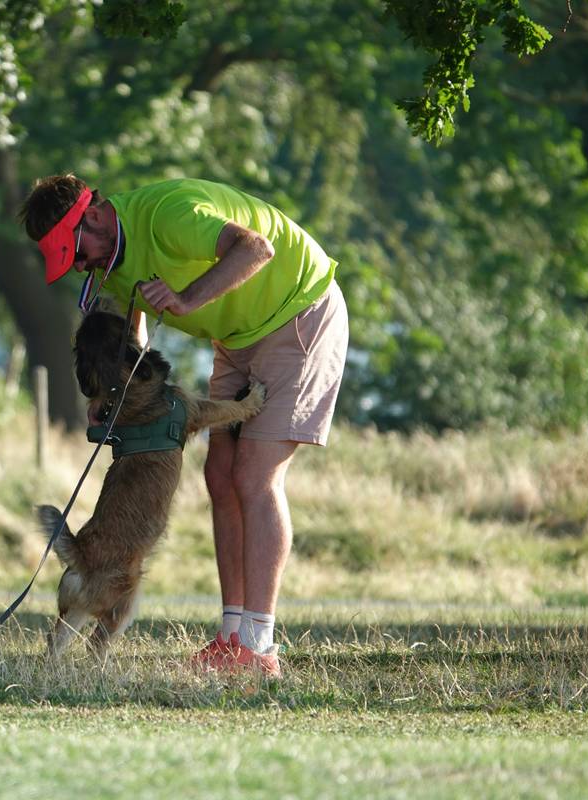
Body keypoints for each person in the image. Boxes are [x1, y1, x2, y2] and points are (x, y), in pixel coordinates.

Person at [20, 175, 349, 677]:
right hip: (237, 336)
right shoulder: (113, 263)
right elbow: (133, 334)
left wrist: (188, 299)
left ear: (90, 216)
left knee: (254, 478)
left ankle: (259, 647)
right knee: (219, 476)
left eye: (76, 252)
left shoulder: (169, 215)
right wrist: (114, 398)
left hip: (298, 310)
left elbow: (254, 249)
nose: (79, 266)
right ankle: (231, 635)